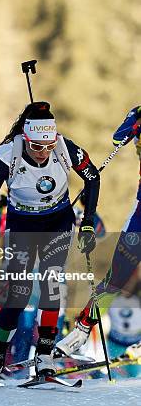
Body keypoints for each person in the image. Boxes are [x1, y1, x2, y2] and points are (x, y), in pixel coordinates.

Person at [0, 101, 100, 385]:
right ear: (26, 138)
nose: (43, 153)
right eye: (36, 146)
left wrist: (89, 221)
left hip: (57, 221)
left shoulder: (65, 147)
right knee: (18, 294)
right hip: (22, 224)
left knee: (52, 286)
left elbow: (92, 178)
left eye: (48, 146)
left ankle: (44, 357)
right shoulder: (7, 154)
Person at [55, 106, 141, 358]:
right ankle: (80, 332)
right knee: (116, 277)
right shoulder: (137, 114)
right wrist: (134, 125)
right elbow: (118, 138)